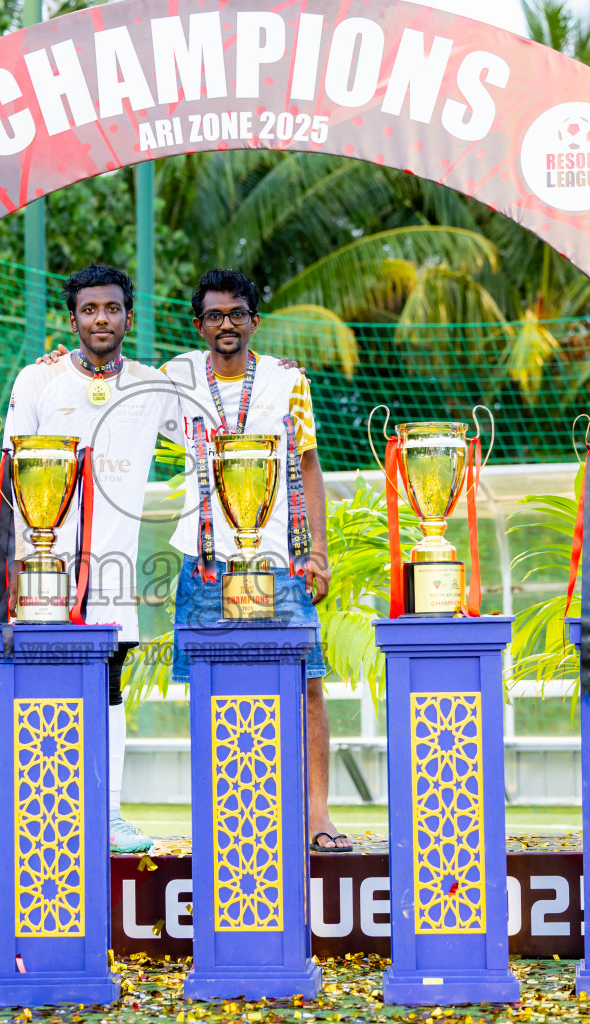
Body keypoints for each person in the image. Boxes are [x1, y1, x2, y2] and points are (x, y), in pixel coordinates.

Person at [0, 263, 183, 855]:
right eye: (88, 309)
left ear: (129, 315)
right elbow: (10, 478)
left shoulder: (153, 387)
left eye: (111, 308)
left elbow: (211, 432)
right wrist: (12, 573)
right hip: (42, 575)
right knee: (41, 691)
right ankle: (42, 813)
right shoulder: (37, 380)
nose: (100, 318)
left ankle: (108, 815)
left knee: (107, 691)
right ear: (72, 317)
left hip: (112, 575)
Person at [163, 268, 347, 852]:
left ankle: (316, 814)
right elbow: (108, 378)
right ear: (199, 325)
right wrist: (60, 361)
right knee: (207, 689)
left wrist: (317, 549)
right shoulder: (176, 377)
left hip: (279, 559)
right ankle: (222, 816)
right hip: (207, 560)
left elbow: (310, 464)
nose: (227, 325)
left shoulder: (287, 380)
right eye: (215, 315)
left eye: (237, 314)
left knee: (307, 684)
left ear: (254, 321)